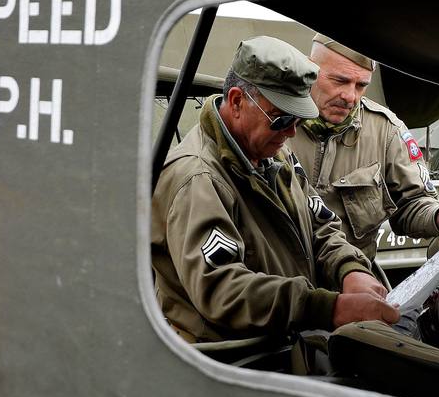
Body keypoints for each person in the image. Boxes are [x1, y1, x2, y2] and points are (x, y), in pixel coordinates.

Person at [152, 36, 400, 343]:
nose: (291, 132)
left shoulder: (272, 152)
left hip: (284, 341)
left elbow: (320, 225)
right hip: (233, 357)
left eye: (298, 119)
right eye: (281, 119)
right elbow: (222, 290)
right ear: (237, 101)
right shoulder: (197, 178)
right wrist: (325, 307)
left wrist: (350, 270)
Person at [288, 34, 439, 271]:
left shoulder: (386, 132)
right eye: (339, 80)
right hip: (277, 283)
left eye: (361, 85)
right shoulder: (275, 119)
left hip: (352, 281)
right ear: (309, 68)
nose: (350, 96)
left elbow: (411, 202)